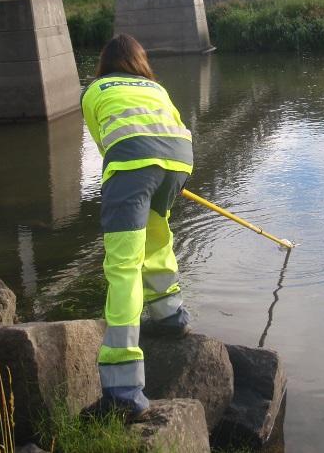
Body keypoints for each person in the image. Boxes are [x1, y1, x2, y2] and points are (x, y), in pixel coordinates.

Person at [81, 33, 193, 418]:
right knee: (158, 237)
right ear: (140, 61)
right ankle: (171, 316)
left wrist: (140, 174)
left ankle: (123, 389)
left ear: (104, 62)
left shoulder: (94, 90)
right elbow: (176, 127)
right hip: (179, 160)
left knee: (123, 267)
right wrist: (161, 172)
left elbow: (105, 147)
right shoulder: (155, 87)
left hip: (131, 166)